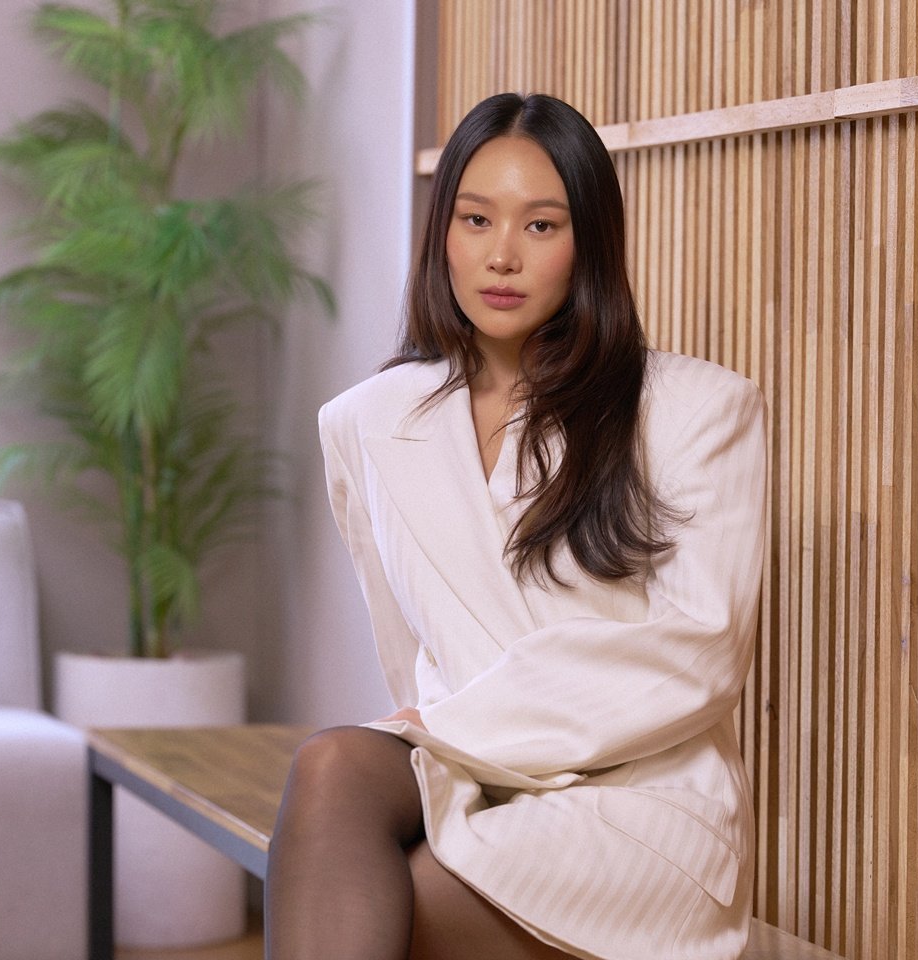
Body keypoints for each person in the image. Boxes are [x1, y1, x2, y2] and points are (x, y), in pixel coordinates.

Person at [266, 92, 767, 960]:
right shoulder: (365, 421)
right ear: (443, 235)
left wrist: (451, 732)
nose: (502, 255)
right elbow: (409, 649)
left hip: (638, 807)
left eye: (541, 226)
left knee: (390, 905)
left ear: (588, 243)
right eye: (475, 220)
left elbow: (701, 651)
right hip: (470, 776)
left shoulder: (695, 409)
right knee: (332, 764)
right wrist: (438, 740)